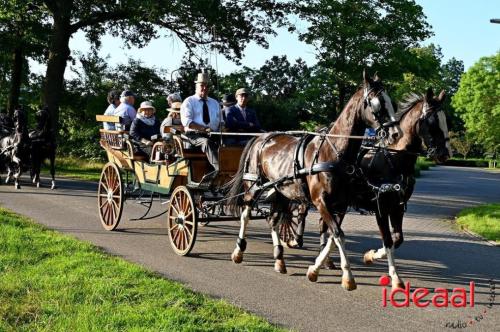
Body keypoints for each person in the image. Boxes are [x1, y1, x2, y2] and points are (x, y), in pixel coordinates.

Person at [180, 72, 221, 180]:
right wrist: (203, 129)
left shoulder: (215, 103)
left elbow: (221, 121)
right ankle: (219, 169)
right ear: (196, 87)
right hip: (193, 136)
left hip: (213, 134)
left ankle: (234, 170)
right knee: (206, 142)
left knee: (229, 144)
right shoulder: (189, 101)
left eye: (207, 86)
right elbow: (187, 122)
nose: (204, 88)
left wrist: (222, 128)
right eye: (202, 85)